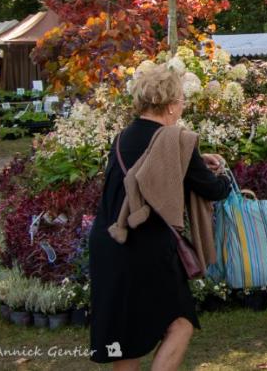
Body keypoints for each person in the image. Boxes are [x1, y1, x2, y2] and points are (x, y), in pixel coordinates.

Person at [89, 62, 231, 368]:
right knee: (180, 322)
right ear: (169, 106)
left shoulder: (122, 138)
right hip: (147, 247)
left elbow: (148, 173)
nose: (182, 108)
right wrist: (225, 177)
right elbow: (212, 189)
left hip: (109, 243)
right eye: (181, 102)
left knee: (127, 340)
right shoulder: (176, 139)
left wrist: (191, 162)